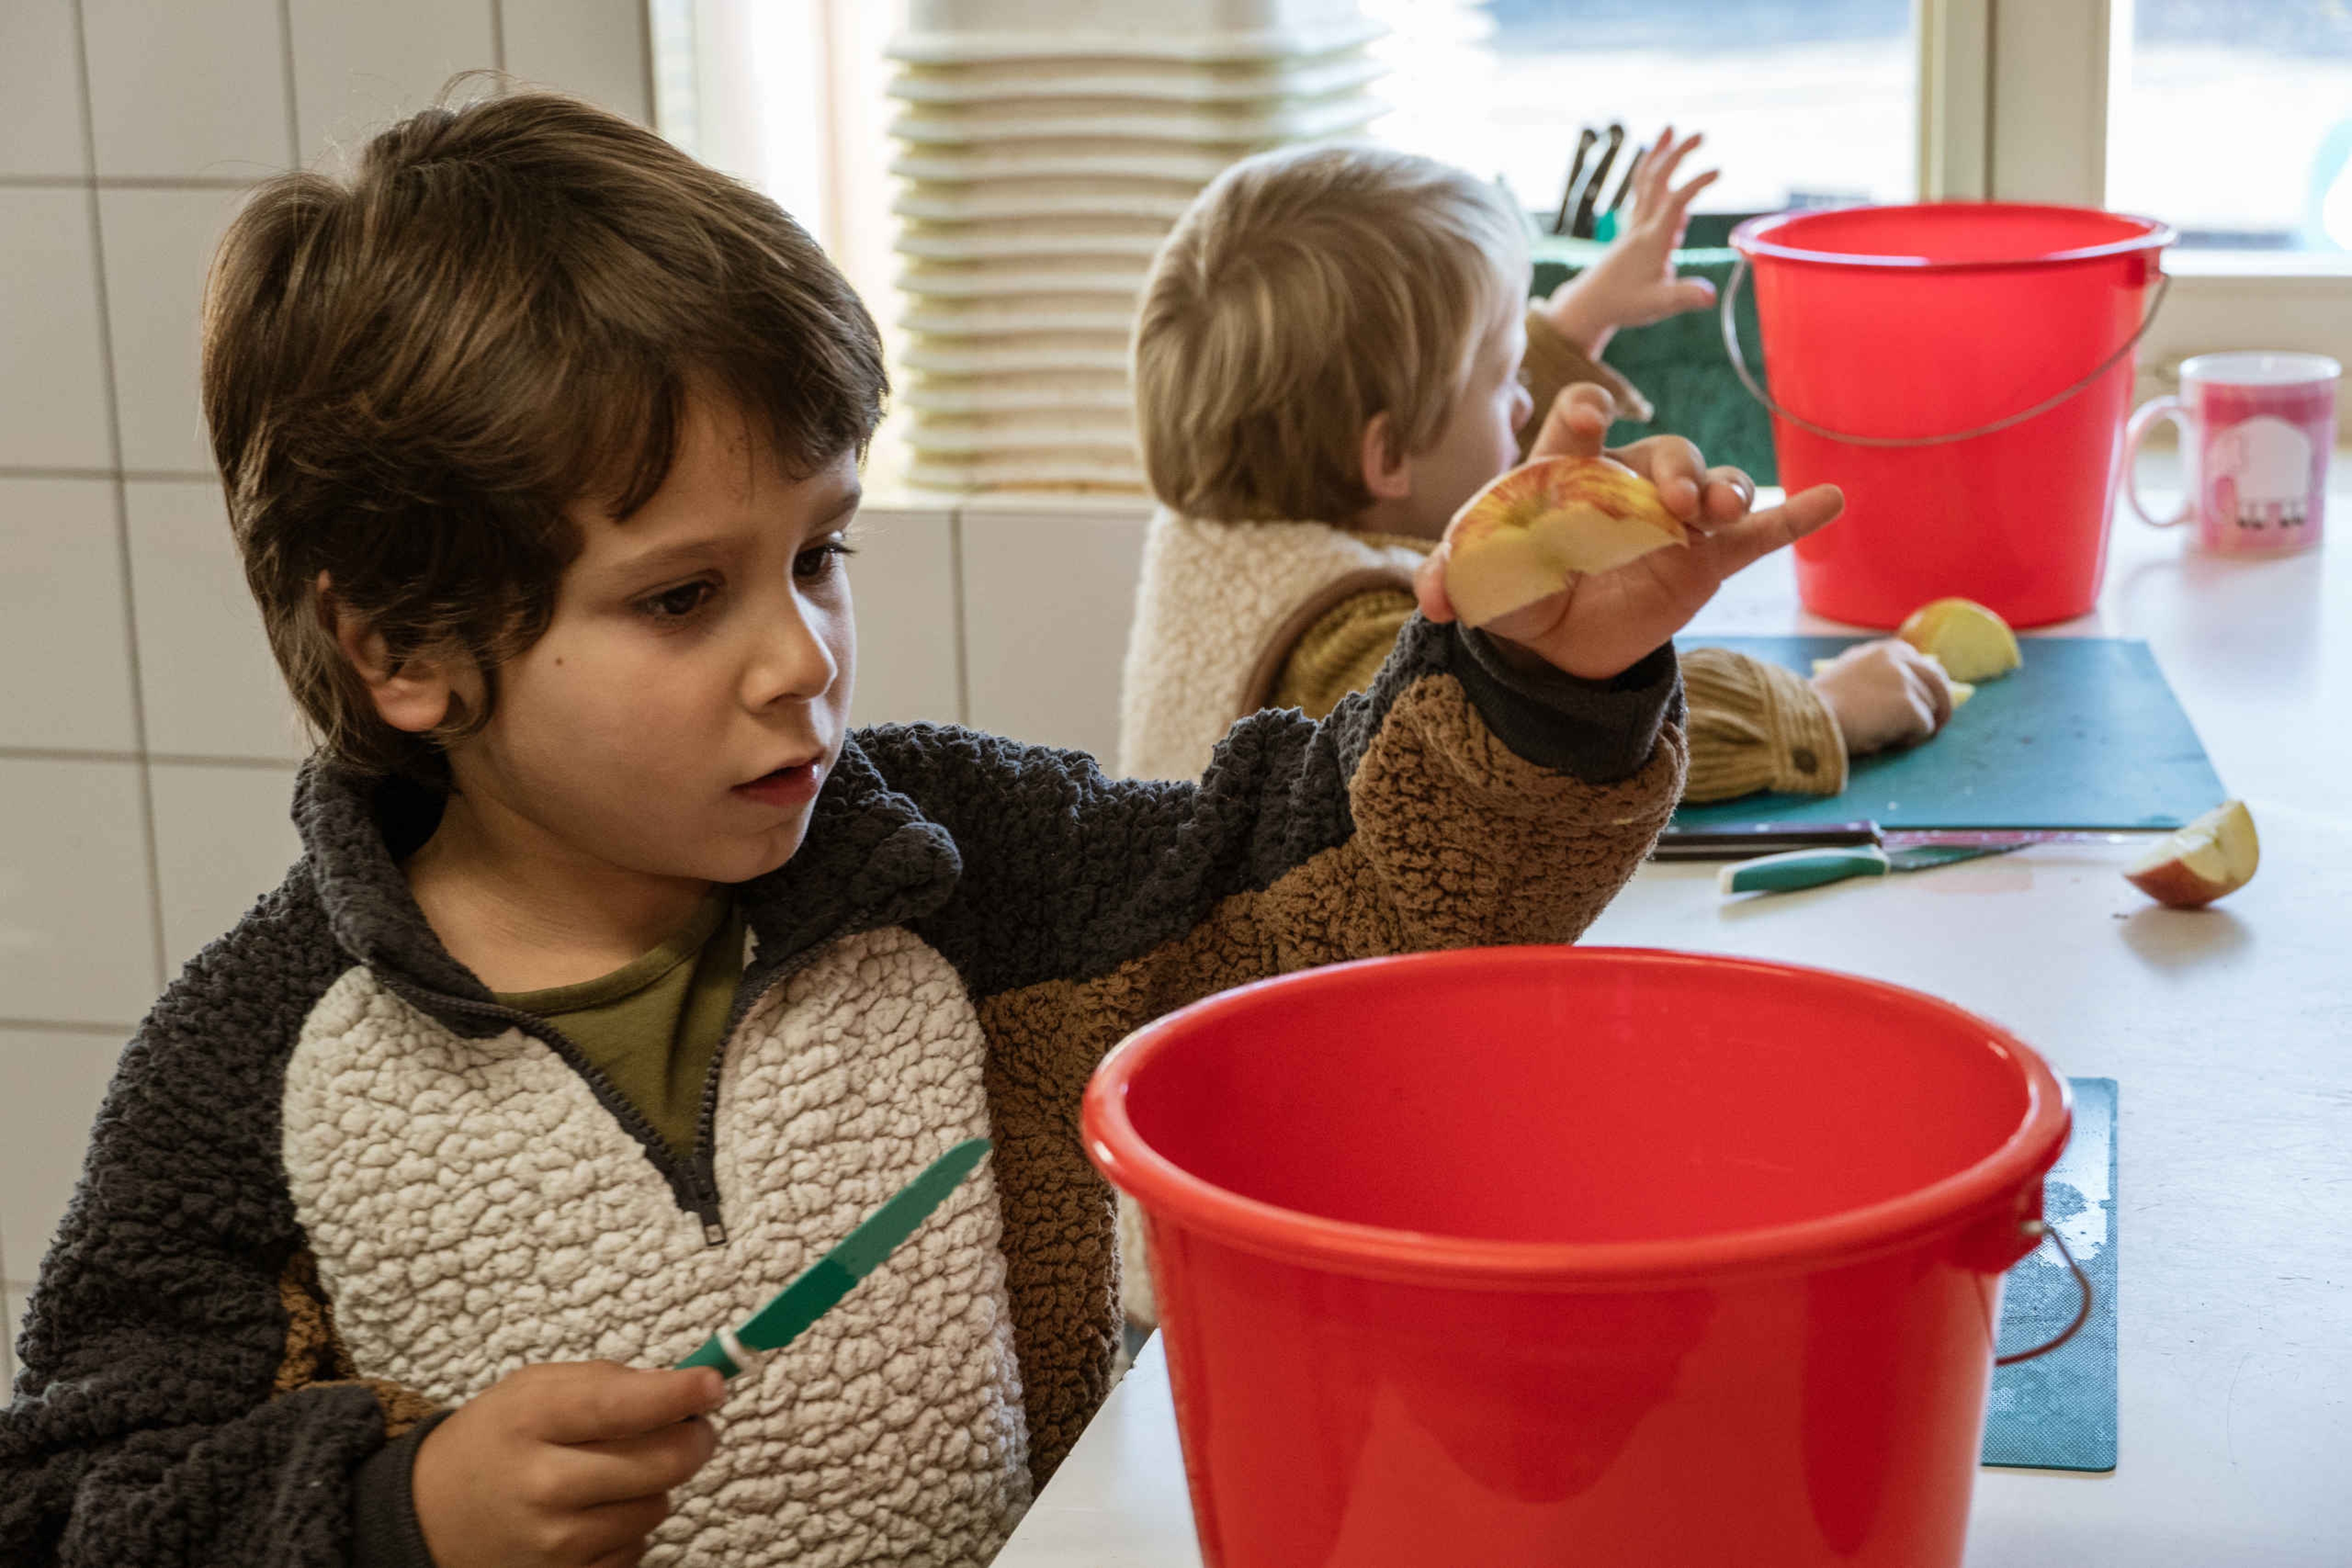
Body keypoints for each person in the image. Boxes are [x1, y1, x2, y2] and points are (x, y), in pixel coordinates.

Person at [0, 92, 1838, 1568]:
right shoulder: (248, 1068)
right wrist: (395, 1518)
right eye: (677, 599)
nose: (801, 658)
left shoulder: (958, 865)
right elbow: (75, 1498)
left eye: (818, 553)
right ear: (400, 650)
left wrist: (1541, 690)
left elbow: (1362, 884)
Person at [1117, 135, 1956, 797]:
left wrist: (1570, 328)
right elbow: (1549, 733)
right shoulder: (1343, 645)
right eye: (1503, 379)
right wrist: (1818, 712)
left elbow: (1453, 453)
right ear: (1387, 456)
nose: (1524, 402)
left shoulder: (1240, 522)